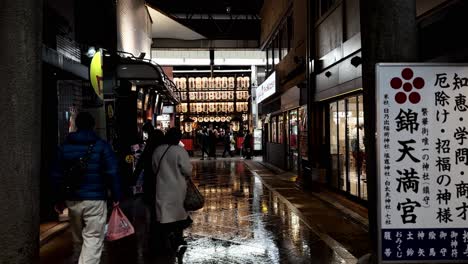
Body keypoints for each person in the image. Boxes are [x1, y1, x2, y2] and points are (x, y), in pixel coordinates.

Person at [51, 112, 121, 264]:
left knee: (79, 239)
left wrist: (58, 199)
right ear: (93, 125)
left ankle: (80, 259)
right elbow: (112, 172)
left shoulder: (64, 147)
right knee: (93, 238)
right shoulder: (102, 146)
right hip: (96, 199)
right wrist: (116, 196)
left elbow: (56, 175)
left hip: (72, 199)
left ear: (76, 125)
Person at [152, 128, 193, 259]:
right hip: (177, 188)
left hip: (161, 187)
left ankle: (165, 240)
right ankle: (177, 238)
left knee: (164, 214)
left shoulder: (157, 151)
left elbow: (154, 168)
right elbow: (187, 170)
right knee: (178, 213)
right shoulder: (180, 151)